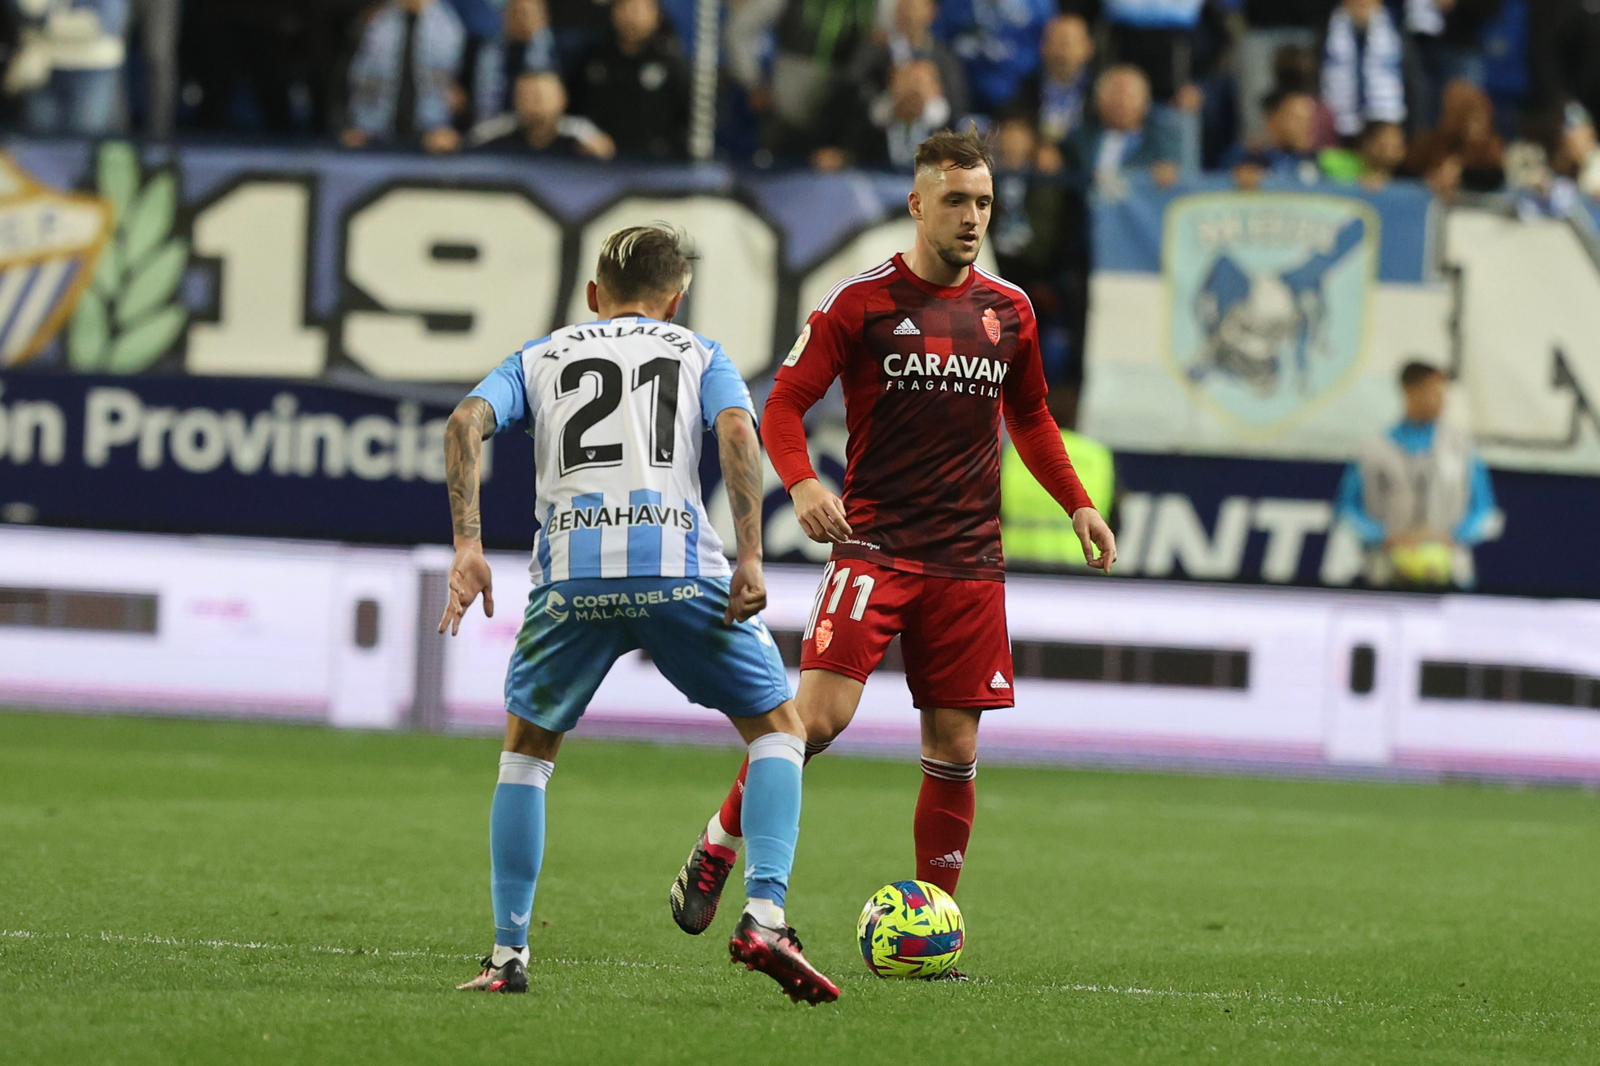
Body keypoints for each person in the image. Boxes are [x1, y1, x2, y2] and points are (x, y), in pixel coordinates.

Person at [667, 130, 1117, 975]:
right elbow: (785, 405)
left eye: (983, 202)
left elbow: (1031, 418)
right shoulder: (860, 302)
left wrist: (1079, 505)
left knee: (956, 749)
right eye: (956, 201)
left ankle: (931, 928)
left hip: (969, 562)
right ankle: (719, 845)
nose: (973, 217)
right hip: (874, 548)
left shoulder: (1009, 311)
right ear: (918, 204)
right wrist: (799, 484)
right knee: (816, 724)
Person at [439, 225, 839, 1004]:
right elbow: (733, 430)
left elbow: (463, 424)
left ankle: (507, 955)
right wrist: (750, 555)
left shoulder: (542, 356)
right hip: (680, 569)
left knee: (526, 756)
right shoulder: (698, 353)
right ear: (676, 298)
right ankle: (764, 914)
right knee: (780, 733)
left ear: (593, 295)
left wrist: (469, 546)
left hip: (570, 582)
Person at [1335, 360, 1499, 589]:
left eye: (1443, 393)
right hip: (1387, 573)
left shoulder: (1462, 449)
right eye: (1433, 392)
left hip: (1449, 573)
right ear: (1409, 392)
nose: (1442, 401)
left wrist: (1450, 537)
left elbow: (1486, 512)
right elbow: (1347, 512)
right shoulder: (1373, 450)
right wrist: (1387, 537)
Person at [1001, 387, 1115, 568]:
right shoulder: (1098, 455)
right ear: (1076, 416)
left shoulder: (1012, 454)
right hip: (1082, 563)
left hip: (1020, 562)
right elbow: (1116, 517)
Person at [571, 0, 690, 160]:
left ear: (657, 15)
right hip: (596, 165)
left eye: (639, 9)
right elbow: (572, 111)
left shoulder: (673, 65)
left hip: (656, 167)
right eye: (624, 7)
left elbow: (689, 123)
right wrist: (586, 139)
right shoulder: (592, 59)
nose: (631, 16)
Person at [342, 0, 466, 153]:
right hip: (375, 135)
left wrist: (446, 128)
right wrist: (360, 127)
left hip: (431, 135)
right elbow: (361, 80)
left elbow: (458, 92)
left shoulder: (450, 26)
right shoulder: (378, 22)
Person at [1064, 65, 1183, 189]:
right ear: (1098, 100)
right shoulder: (1079, 137)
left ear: (1146, 102)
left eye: (1129, 96)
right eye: (1114, 94)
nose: (1122, 102)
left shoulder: (1163, 143)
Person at [470, 70, 615, 157]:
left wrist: (600, 152)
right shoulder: (494, 132)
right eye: (526, 96)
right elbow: (467, 147)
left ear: (562, 99)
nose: (535, 103)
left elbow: (605, 150)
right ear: (516, 100)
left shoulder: (580, 132)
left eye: (541, 96)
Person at [1320, 0, 1407, 139]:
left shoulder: (1398, 26)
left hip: (1386, 127)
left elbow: (1413, 82)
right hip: (1337, 127)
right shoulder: (1326, 26)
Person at [1406, 79, 1505, 198]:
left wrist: (1460, 172)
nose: (1476, 126)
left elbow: (1493, 179)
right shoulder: (1432, 144)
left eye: (1481, 118)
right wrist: (1430, 179)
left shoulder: (1491, 149)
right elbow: (1406, 172)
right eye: (1470, 118)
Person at [1232, 88, 1322, 189]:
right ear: (1273, 120)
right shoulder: (1248, 157)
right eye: (1297, 119)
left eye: (1310, 120)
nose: (1307, 127)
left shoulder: (1315, 159)